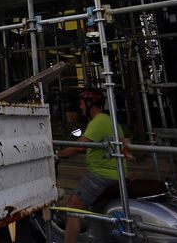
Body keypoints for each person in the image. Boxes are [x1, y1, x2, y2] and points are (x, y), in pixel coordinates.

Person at [55, 89, 130, 243]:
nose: (81, 107)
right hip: (117, 173)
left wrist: (58, 155)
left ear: (90, 104)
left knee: (72, 209)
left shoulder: (98, 122)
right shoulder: (109, 120)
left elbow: (78, 147)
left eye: (82, 104)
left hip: (102, 175)